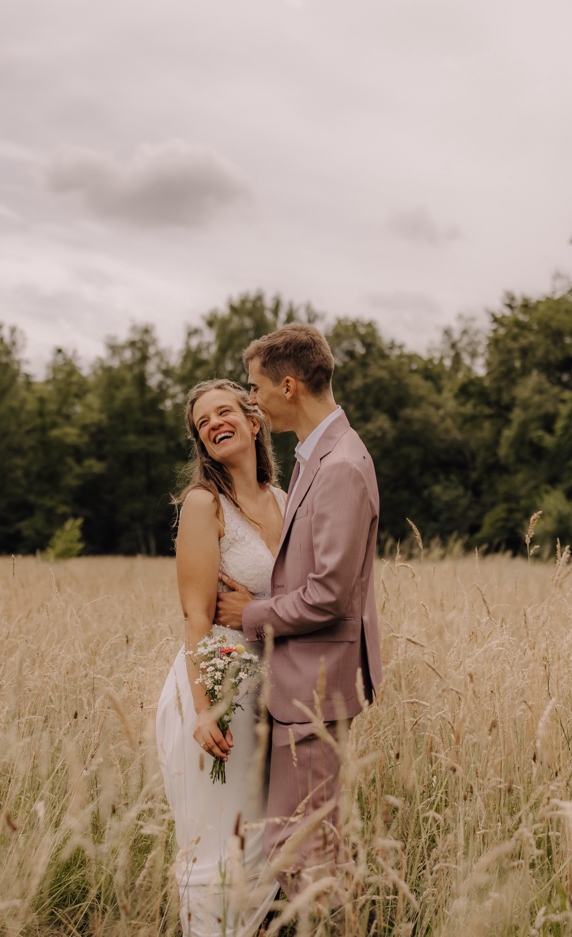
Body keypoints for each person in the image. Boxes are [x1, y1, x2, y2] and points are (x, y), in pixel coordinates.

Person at [214, 323, 383, 902]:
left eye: (255, 388)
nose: (250, 401)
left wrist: (250, 614)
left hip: (315, 684)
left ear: (289, 386)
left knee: (308, 853)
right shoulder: (315, 456)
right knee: (299, 842)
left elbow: (331, 592)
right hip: (300, 682)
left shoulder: (340, 466)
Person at [155, 379, 284, 936]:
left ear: (254, 421)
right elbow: (195, 616)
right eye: (202, 422)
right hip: (218, 684)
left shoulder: (287, 499)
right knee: (219, 843)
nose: (212, 424)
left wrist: (258, 607)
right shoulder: (204, 505)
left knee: (260, 839)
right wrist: (205, 707)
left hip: (276, 691)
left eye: (224, 411)